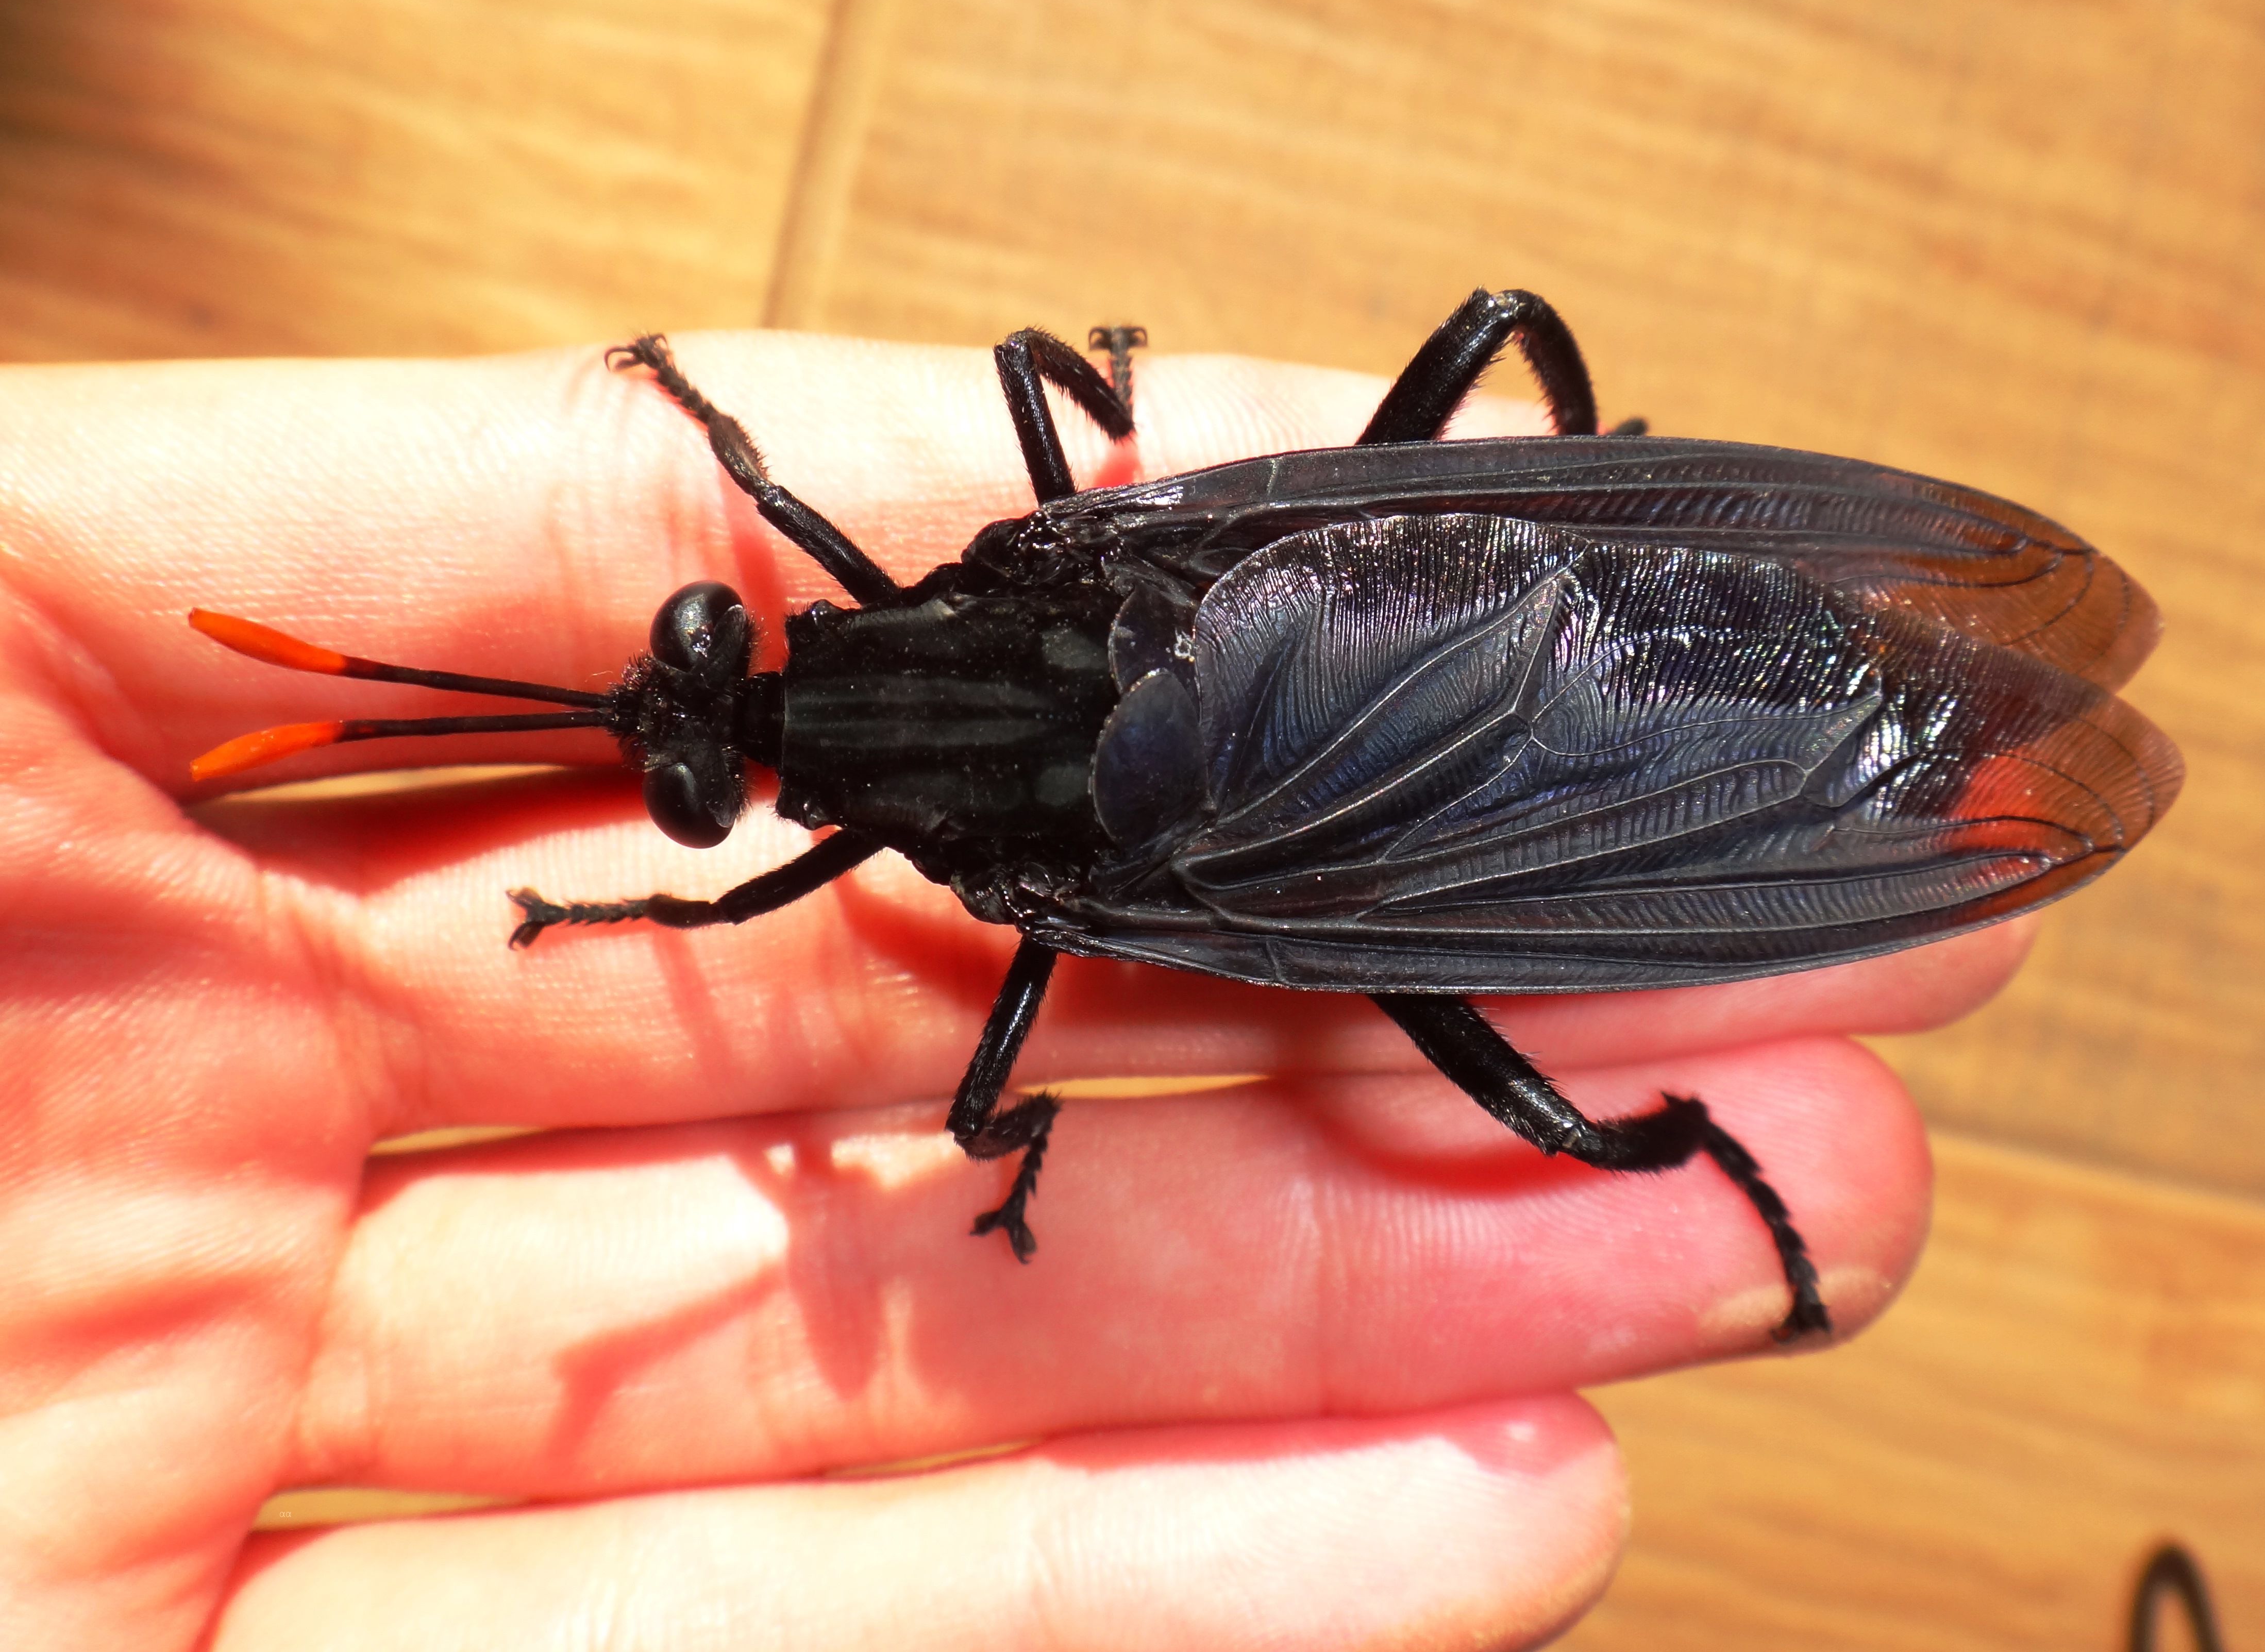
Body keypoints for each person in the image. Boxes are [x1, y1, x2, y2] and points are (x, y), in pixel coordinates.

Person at [0, 331, 2016, 1649]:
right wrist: (1045, 390)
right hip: (1587, 647)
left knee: (1563, 1129)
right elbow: (1007, 370)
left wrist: (1005, 1133)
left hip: (1479, 799)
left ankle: (1721, 1103)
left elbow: (947, 1080)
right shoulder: (1039, 564)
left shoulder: (982, 875)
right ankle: (1824, 731)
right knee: (1495, 326)